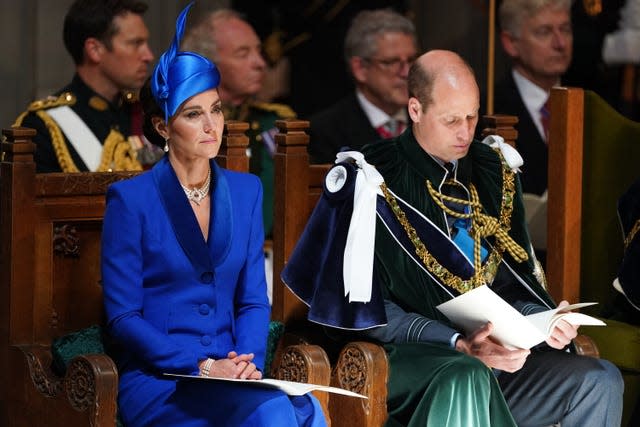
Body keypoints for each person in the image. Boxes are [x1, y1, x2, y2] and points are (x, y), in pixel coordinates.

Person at [283, 49, 623, 426]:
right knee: (467, 373)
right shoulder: (370, 179)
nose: (465, 132)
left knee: (599, 380)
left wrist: (541, 321)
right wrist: (457, 343)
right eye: (451, 120)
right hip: (405, 359)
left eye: (472, 116)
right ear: (415, 110)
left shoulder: (494, 172)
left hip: (497, 360)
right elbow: (362, 311)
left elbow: (513, 286)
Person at [100, 4, 326, 427]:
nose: (211, 125)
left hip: (234, 375)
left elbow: (253, 299)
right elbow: (123, 317)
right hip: (161, 380)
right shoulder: (130, 200)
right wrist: (202, 366)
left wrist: (247, 363)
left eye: (216, 109)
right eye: (193, 114)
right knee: (277, 411)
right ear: (163, 127)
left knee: (308, 407)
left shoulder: (246, 191)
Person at [182, 9, 296, 239]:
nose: (260, 63)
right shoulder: (176, 126)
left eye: (258, 51)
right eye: (243, 53)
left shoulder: (276, 123)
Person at [13, 0, 157, 173]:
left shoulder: (147, 113)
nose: (148, 56)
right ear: (94, 50)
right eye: (135, 43)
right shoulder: (42, 128)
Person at [308, 8, 418, 164]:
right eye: (391, 62)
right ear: (360, 69)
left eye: (411, 60)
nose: (406, 72)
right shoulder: (325, 132)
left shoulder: (430, 120)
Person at [494, 0, 573, 196]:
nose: (560, 43)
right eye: (544, 32)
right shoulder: (488, 111)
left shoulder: (592, 106)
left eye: (565, 29)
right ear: (511, 43)